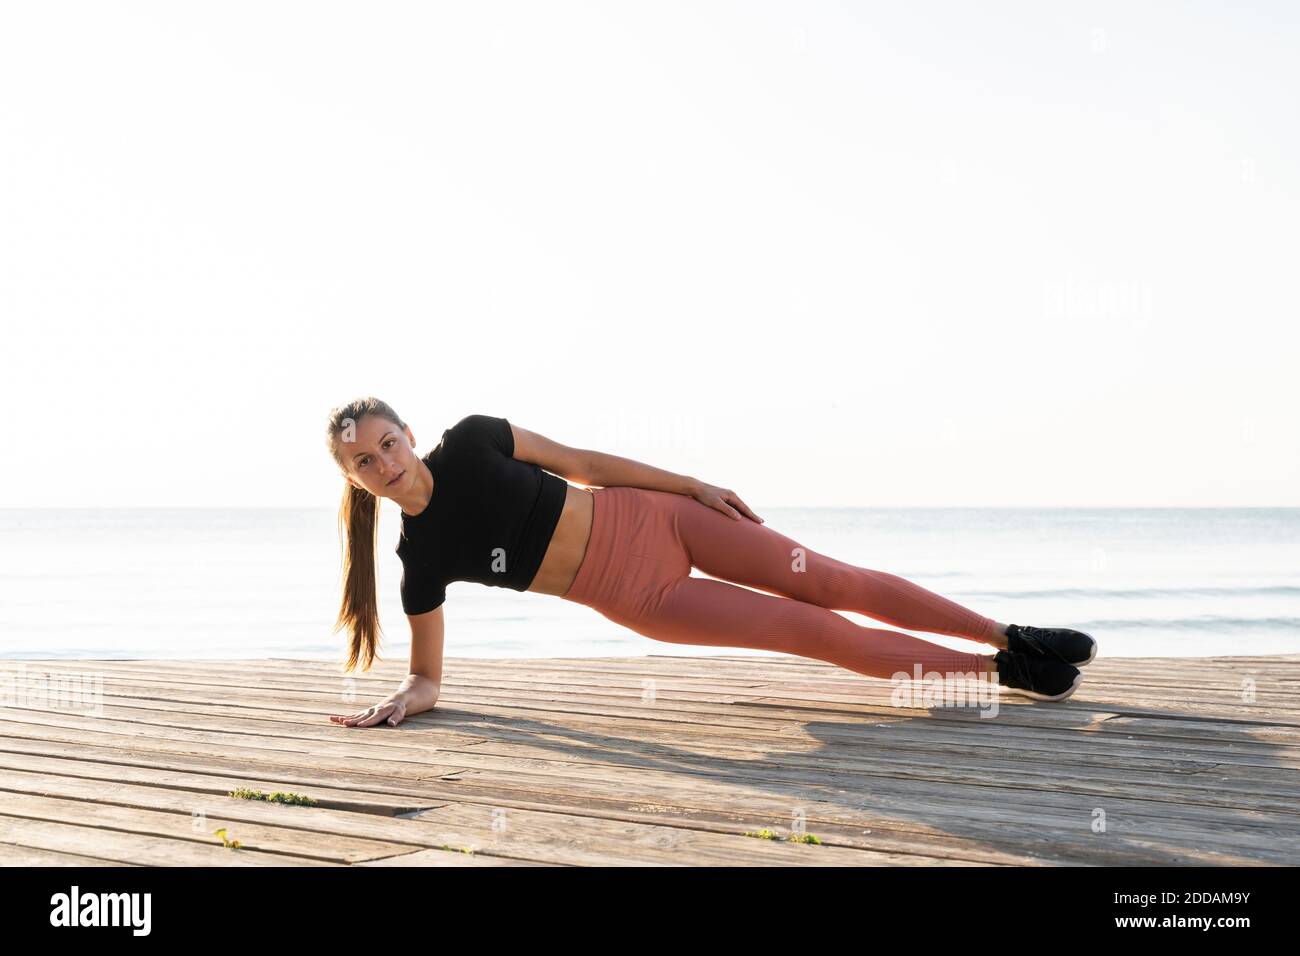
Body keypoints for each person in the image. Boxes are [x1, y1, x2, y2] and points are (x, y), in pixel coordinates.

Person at [324, 397, 1097, 728]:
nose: (382, 461)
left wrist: (691, 484)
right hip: (644, 595)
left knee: (835, 580)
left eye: (386, 442)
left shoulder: (474, 436)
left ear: (409, 432)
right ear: (354, 479)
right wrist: (405, 698)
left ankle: (1009, 632)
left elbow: (588, 463)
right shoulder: (417, 559)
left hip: (662, 519)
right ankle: (1000, 674)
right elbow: (429, 677)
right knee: (812, 631)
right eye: (363, 460)